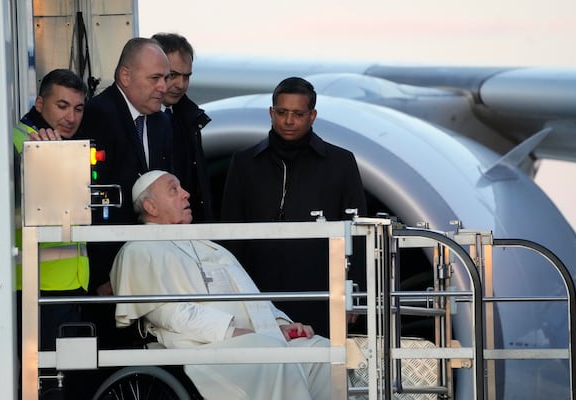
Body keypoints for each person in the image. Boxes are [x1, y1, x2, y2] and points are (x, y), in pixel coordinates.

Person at [110, 170, 330, 400]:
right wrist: (229, 331)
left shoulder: (206, 244)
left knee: (321, 353)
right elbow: (167, 313)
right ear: (151, 207)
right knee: (270, 355)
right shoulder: (139, 249)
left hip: (253, 336)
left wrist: (280, 324)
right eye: (174, 190)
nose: (186, 194)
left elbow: (250, 295)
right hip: (199, 347)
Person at [221, 77, 367, 337]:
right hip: (258, 292)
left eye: (298, 114)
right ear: (271, 112)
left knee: (324, 367)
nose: (289, 121)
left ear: (312, 116)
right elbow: (231, 232)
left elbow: (358, 231)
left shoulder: (340, 163)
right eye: (282, 112)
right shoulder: (244, 163)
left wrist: (354, 290)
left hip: (322, 291)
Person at [77, 37, 173, 347]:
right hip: (110, 276)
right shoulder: (96, 116)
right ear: (126, 76)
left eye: (167, 77)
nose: (164, 86)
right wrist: (106, 276)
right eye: (155, 78)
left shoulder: (161, 121)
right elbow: (92, 203)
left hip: (149, 268)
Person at [13, 68, 88, 352]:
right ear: (40, 104)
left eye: (78, 108)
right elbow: (56, 207)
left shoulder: (55, 142)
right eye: (62, 106)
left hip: (62, 285)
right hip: (39, 286)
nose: (71, 117)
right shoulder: (26, 142)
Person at [151, 33, 214, 222]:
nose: (181, 84)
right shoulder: (140, 121)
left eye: (186, 77)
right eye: (173, 75)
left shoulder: (189, 118)